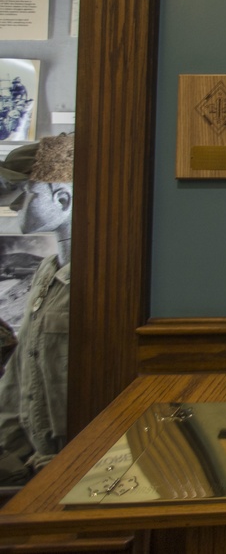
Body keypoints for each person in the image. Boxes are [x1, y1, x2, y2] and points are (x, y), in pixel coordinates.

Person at [0, 134, 74, 485]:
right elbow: (21, 372)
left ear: (62, 198)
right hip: (33, 465)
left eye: (24, 192)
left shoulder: (102, 283)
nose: (14, 205)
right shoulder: (48, 272)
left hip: (68, 466)